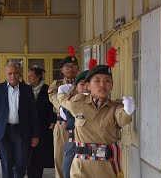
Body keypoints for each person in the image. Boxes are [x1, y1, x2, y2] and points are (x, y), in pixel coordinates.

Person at [57, 47, 135, 178]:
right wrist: (60, 94)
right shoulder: (79, 103)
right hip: (81, 166)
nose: (102, 85)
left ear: (112, 86)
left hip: (105, 167)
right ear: (88, 85)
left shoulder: (115, 107)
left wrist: (128, 111)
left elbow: (122, 119)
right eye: (97, 80)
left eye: (107, 81)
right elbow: (64, 101)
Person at [0, 63, 40, 178]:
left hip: (21, 131)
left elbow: (33, 114)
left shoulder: (27, 89)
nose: (13, 76)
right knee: (6, 164)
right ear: (6, 75)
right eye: (9, 73)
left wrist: (35, 135)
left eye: (15, 73)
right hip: (4, 131)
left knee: (21, 164)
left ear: (19, 74)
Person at [48, 46, 79, 178]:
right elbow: (54, 98)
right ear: (62, 69)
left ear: (78, 68)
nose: (70, 69)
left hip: (79, 125)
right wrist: (64, 106)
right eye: (67, 66)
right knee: (60, 158)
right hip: (61, 125)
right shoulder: (57, 84)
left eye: (73, 66)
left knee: (78, 157)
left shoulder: (83, 83)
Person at [26, 67, 56, 178]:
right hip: (29, 128)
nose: (28, 78)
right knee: (29, 156)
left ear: (38, 77)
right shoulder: (27, 89)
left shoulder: (47, 89)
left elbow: (53, 106)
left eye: (31, 76)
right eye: (28, 76)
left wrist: (53, 121)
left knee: (39, 156)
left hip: (43, 127)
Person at [60, 70, 89, 178]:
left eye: (88, 84)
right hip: (74, 142)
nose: (86, 88)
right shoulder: (71, 102)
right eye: (82, 84)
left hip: (92, 144)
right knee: (67, 171)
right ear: (76, 87)